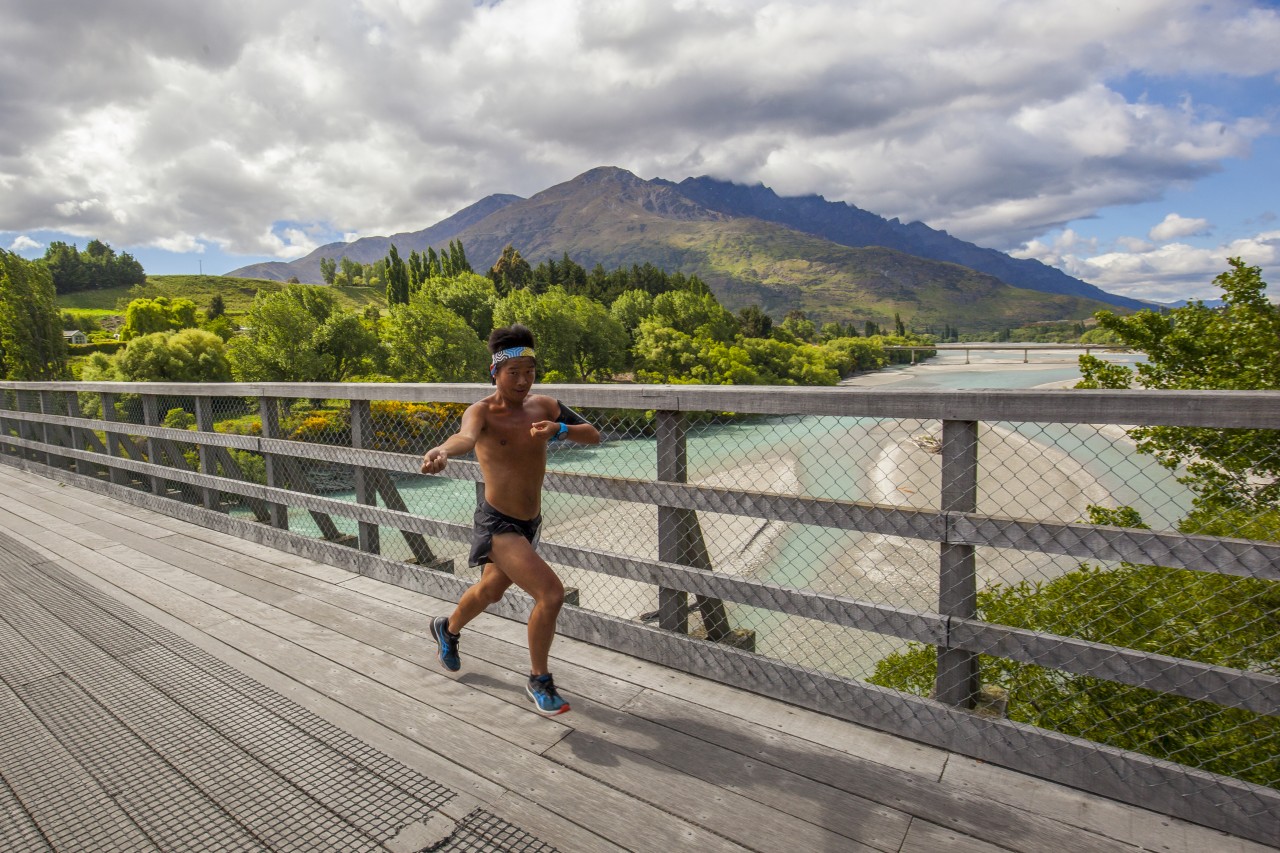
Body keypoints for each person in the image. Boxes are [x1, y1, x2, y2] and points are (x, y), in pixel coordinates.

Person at [420, 323, 600, 715]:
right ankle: (539, 680)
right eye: (513, 372)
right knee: (550, 593)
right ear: (495, 372)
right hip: (497, 523)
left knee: (491, 591)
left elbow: (594, 435)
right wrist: (443, 451)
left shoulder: (546, 406)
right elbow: (464, 438)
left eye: (529, 371)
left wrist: (561, 430)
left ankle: (446, 629)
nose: (522, 380)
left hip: (529, 523)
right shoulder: (482, 411)